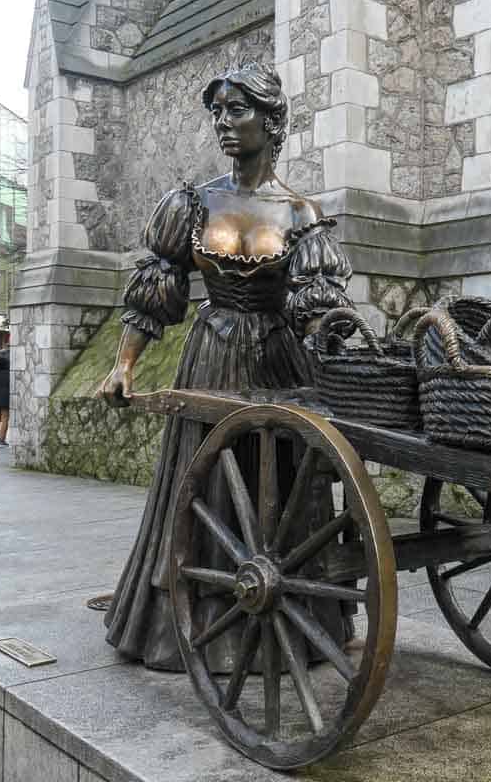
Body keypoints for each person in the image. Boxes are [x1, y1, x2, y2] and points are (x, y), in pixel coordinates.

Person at [99, 61, 354, 671]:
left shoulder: (300, 212)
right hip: (211, 356)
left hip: (279, 361)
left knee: (283, 491)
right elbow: (156, 287)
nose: (224, 122)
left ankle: (291, 618)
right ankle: (194, 625)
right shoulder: (192, 202)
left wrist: (337, 344)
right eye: (218, 112)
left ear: (271, 122)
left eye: (238, 110)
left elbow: (317, 306)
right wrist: (123, 365)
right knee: (205, 486)